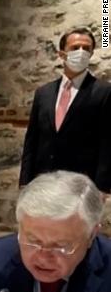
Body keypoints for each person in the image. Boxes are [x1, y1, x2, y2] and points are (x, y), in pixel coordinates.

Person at [19, 27, 111, 192]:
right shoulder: (43, 93)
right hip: (42, 182)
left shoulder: (103, 92)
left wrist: (101, 188)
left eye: (86, 48)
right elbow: (32, 140)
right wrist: (25, 181)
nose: (81, 52)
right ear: (62, 54)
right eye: (75, 48)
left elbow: (107, 142)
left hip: (81, 186)